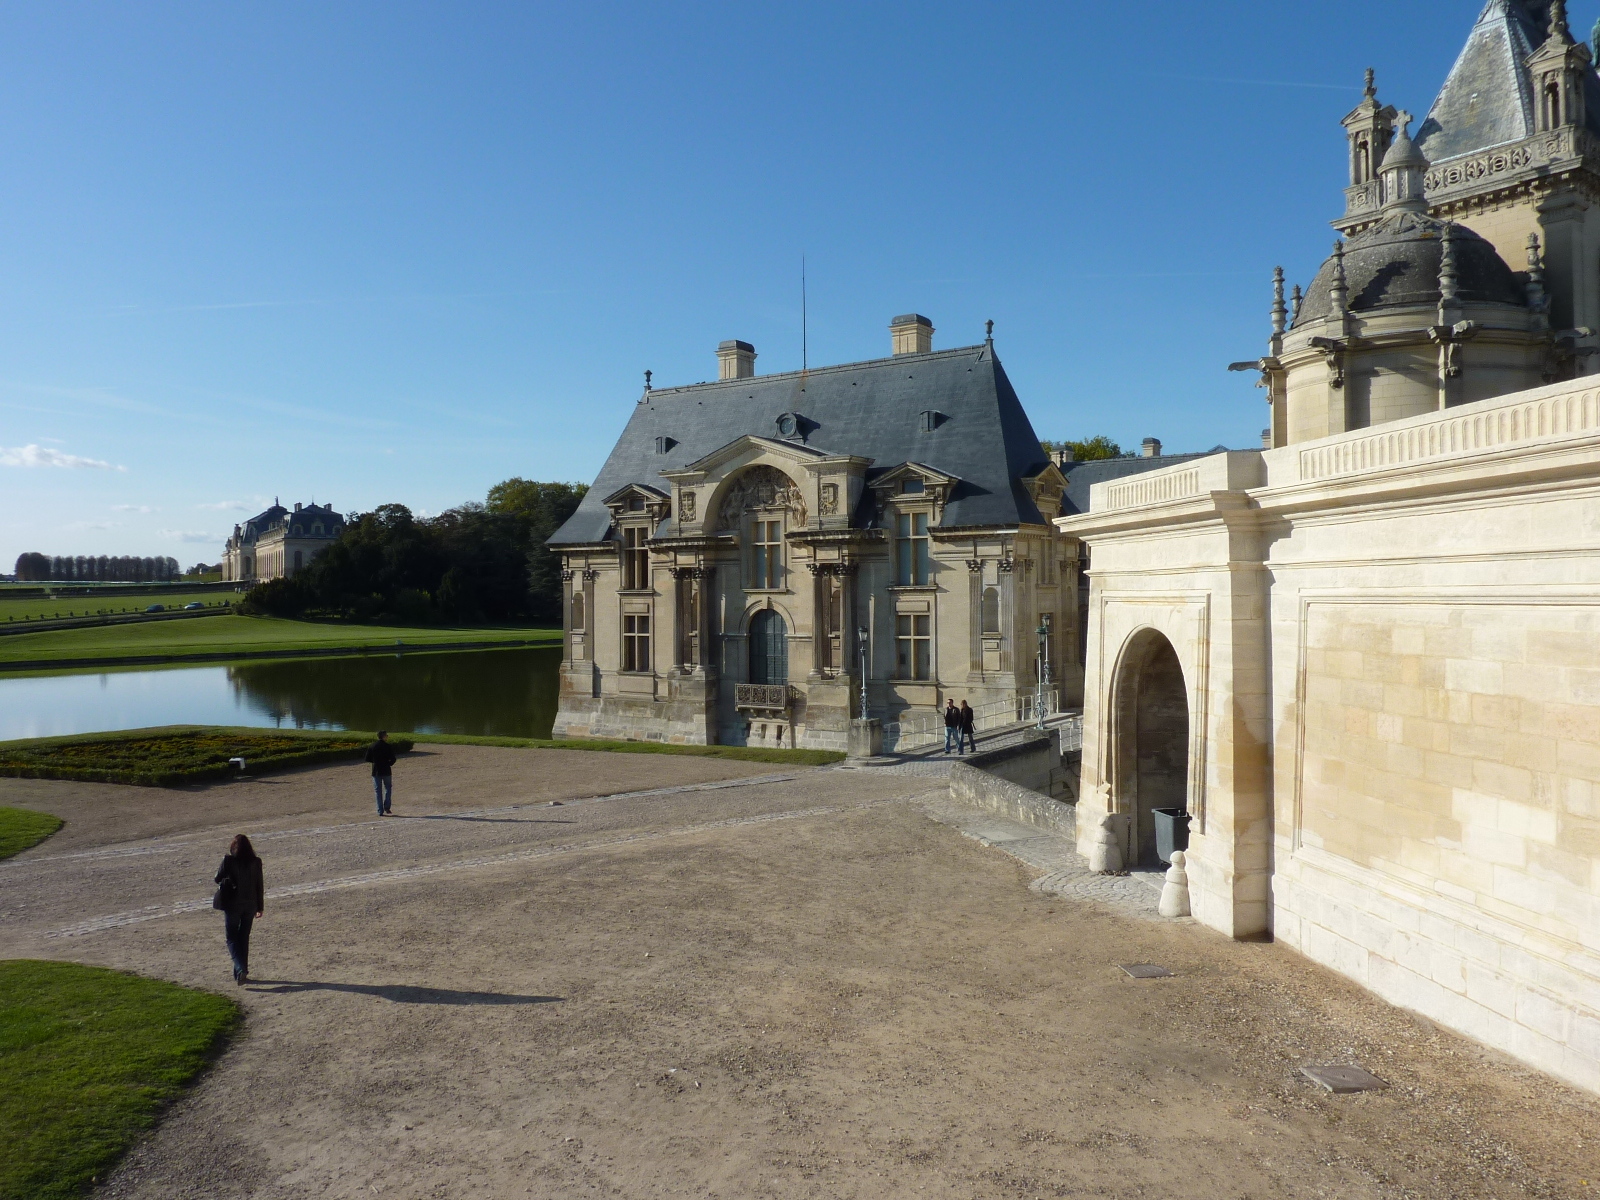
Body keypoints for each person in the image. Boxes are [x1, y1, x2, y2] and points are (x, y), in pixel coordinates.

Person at [215, 834, 264, 985]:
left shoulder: (229, 861)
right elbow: (259, 885)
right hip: (250, 905)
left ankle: (240, 968)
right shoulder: (256, 862)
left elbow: (217, 878)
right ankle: (241, 973)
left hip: (233, 905)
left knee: (231, 938)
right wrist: (260, 907)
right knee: (243, 938)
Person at [365, 730, 397, 815]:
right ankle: (387, 807)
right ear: (383, 736)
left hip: (376, 771)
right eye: (386, 735)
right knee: (388, 788)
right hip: (386, 770)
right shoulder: (388, 746)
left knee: (378, 791)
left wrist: (375, 762)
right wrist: (388, 764)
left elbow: (367, 758)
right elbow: (393, 759)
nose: (387, 736)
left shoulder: (372, 746)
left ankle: (380, 810)